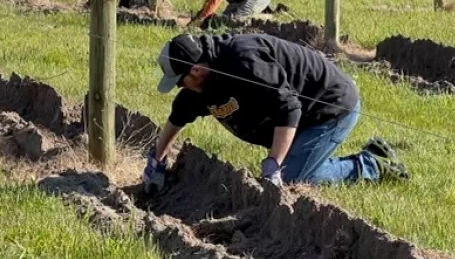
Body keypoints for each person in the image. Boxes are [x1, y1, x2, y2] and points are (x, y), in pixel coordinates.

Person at [141, 33, 409, 193]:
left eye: (180, 81)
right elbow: (178, 117)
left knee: (296, 178)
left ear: (195, 71)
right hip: (300, 116)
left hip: (330, 106)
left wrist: (273, 165)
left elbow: (289, 107)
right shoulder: (202, 83)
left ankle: (372, 163)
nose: (180, 87)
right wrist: (158, 160)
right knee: (291, 169)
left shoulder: (243, 63)